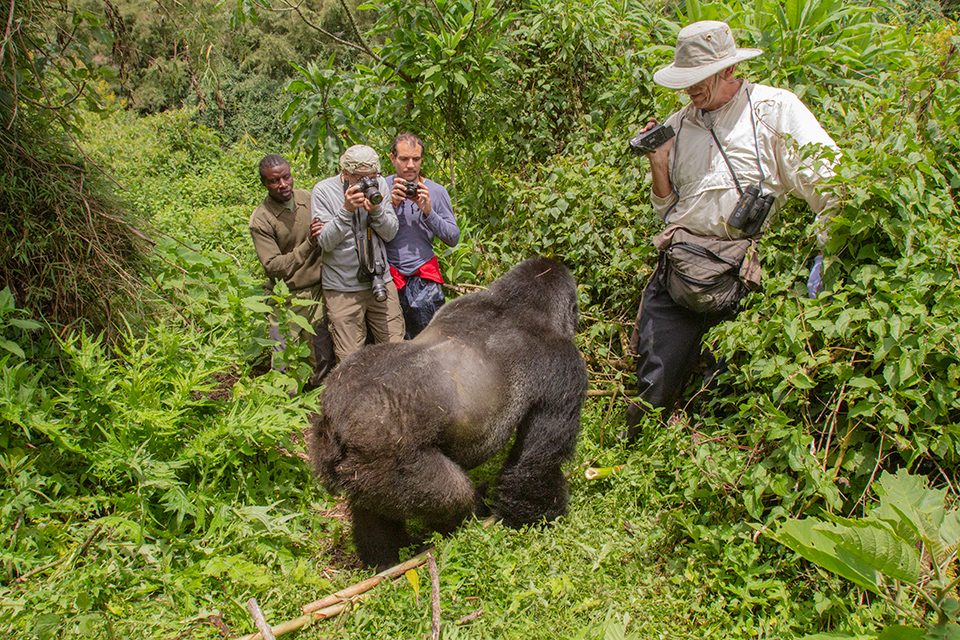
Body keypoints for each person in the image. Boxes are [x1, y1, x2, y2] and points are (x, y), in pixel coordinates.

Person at [622, 20, 839, 440]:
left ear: (727, 71)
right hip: (680, 264)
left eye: (697, 80)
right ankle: (640, 452)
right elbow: (666, 209)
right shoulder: (680, 122)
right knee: (653, 378)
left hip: (738, 271)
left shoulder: (773, 110)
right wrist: (658, 163)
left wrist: (826, 252)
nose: (689, 91)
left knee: (726, 384)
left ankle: (706, 458)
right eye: (685, 81)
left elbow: (829, 183)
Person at [312, 144, 405, 362]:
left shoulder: (379, 184)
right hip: (342, 287)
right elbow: (325, 242)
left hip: (380, 279)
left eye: (372, 176)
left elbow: (390, 233)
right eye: (361, 178)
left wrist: (377, 211)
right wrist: (346, 210)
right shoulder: (323, 191)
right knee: (350, 361)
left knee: (396, 352)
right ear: (344, 173)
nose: (368, 183)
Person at [248, 154, 336, 385]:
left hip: (318, 290)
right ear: (264, 184)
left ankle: (317, 406)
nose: (283, 184)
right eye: (275, 181)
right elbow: (273, 267)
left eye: (286, 177)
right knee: (284, 359)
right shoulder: (262, 219)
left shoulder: (308, 198)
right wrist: (309, 244)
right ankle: (284, 409)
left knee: (322, 355)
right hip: (286, 296)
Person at [384, 133, 461, 338]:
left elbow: (453, 237)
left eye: (416, 159)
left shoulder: (435, 191)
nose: (410, 165)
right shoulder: (382, 188)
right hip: (389, 279)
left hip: (424, 277)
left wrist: (428, 211)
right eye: (403, 159)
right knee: (393, 348)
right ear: (392, 159)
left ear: (421, 160)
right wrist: (390, 205)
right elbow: (368, 233)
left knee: (431, 343)